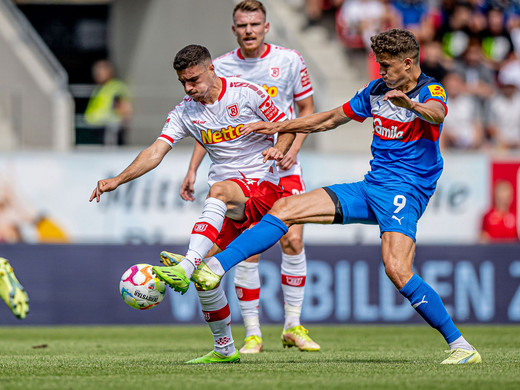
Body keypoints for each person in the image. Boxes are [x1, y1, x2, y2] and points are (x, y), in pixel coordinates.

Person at [153, 28, 482, 365]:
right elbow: (329, 118)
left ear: (408, 63)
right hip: (371, 187)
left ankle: (461, 346)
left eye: (385, 66)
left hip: (405, 191)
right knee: (285, 208)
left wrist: (411, 105)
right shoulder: (377, 90)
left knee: (397, 269)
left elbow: (438, 113)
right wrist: (280, 127)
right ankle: (215, 265)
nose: (380, 72)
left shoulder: (431, 90)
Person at [90, 44, 294, 364]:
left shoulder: (247, 93)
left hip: (265, 185)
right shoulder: (186, 110)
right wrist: (117, 179)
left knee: (219, 192)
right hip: (232, 197)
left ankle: (184, 266)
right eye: (183, 82)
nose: (189, 88)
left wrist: (280, 149)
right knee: (205, 273)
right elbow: (156, 151)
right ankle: (225, 348)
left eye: (194, 80)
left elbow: (287, 126)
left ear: (211, 70)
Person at [164, 0, 319, 354]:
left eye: (255, 24)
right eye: (242, 25)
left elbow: (306, 110)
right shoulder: (216, 67)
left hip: (285, 163)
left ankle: (293, 325)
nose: (248, 30)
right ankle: (253, 332)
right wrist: (192, 168)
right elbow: (210, 125)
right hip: (243, 169)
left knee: (292, 240)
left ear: (266, 27)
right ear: (234, 30)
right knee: (247, 249)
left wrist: (293, 147)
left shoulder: (290, 60)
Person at [84, 60, 132, 145]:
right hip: (97, 128)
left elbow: (124, 107)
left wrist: (121, 124)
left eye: (100, 71)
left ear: (109, 71)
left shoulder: (116, 87)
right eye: (95, 71)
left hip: (109, 129)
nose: (97, 73)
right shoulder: (99, 88)